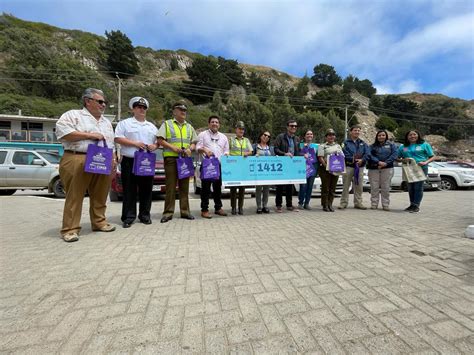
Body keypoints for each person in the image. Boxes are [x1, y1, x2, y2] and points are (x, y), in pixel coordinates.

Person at [55, 88, 116, 242]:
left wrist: (113, 160)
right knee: (75, 195)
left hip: (102, 159)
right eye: (100, 101)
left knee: (100, 194)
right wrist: (90, 135)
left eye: (105, 102)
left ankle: (99, 222)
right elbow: (63, 133)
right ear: (88, 101)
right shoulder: (73, 115)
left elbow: (110, 143)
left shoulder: (106, 122)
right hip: (77, 157)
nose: (103, 105)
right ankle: (70, 229)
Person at [114, 97, 158, 228]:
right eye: (139, 107)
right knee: (129, 190)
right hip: (130, 160)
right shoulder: (125, 123)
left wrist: (154, 146)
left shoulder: (151, 126)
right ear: (133, 109)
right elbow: (117, 138)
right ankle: (128, 217)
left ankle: (145, 215)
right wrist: (135, 143)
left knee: (146, 190)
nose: (142, 109)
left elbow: (158, 141)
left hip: (146, 161)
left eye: (144, 108)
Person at [157, 102, 198, 223]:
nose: (183, 111)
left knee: (184, 187)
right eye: (180, 109)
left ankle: (185, 212)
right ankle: (168, 213)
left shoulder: (189, 127)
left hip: (185, 159)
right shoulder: (167, 124)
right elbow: (160, 140)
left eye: (185, 110)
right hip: (171, 159)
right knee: (170, 186)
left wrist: (190, 148)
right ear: (174, 111)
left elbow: (194, 142)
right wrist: (173, 148)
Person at [196, 115, 229, 219]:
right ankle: (204, 210)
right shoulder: (202, 134)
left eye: (216, 122)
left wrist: (226, 154)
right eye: (213, 122)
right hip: (207, 165)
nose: (215, 124)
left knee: (217, 188)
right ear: (209, 124)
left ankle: (218, 208)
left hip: (218, 165)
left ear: (219, 125)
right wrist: (204, 150)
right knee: (205, 189)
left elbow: (226, 150)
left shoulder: (223, 137)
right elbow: (197, 147)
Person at [398, 130, 435, 213]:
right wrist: (403, 159)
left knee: (418, 187)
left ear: (418, 135)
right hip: (408, 168)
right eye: (410, 135)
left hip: (421, 167)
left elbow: (432, 157)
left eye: (414, 134)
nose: (412, 136)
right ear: (407, 137)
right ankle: (412, 204)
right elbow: (397, 158)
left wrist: (425, 162)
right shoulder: (402, 146)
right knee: (411, 187)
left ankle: (416, 205)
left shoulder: (424, 144)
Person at [339, 125, 369, 210]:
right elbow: (343, 152)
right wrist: (353, 159)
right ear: (351, 132)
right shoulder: (345, 143)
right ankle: (343, 203)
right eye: (355, 130)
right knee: (346, 186)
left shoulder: (363, 143)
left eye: (359, 130)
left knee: (359, 186)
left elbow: (367, 153)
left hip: (360, 167)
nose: (357, 132)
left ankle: (358, 203)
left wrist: (362, 160)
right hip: (349, 166)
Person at [367, 130, 398, 211]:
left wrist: (386, 163)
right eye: (379, 135)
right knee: (374, 187)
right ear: (377, 137)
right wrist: (378, 162)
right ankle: (374, 204)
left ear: (386, 136)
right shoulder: (372, 146)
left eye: (383, 135)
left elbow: (394, 154)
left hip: (387, 168)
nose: (381, 137)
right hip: (374, 168)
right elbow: (369, 155)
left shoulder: (391, 145)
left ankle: (385, 205)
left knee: (386, 187)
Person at [273, 119, 300, 212]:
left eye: (295, 126)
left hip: (291, 166)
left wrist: (302, 155)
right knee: (280, 186)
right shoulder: (280, 137)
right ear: (287, 127)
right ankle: (278, 206)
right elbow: (275, 149)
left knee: (290, 185)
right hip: (282, 164)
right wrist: (284, 154)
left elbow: (297, 151)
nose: (294, 128)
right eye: (292, 126)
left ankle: (289, 205)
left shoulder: (296, 139)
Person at [228, 121, 253, 215]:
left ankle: (240, 208)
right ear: (236, 129)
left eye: (243, 129)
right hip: (234, 167)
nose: (241, 130)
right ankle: (233, 208)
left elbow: (251, 151)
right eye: (239, 129)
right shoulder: (231, 139)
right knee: (233, 189)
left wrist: (247, 153)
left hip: (243, 168)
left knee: (242, 189)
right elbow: (227, 151)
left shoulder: (246, 140)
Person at [318, 129, 343, 212]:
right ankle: (324, 205)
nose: (331, 136)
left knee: (332, 188)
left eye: (333, 135)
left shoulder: (338, 146)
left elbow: (341, 157)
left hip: (336, 169)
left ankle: (330, 204)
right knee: (326, 188)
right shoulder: (322, 146)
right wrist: (327, 167)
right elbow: (320, 157)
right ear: (326, 137)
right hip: (325, 169)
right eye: (329, 135)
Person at [253, 130, 274, 214]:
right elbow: (250, 157)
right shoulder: (255, 146)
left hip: (268, 172)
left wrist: (275, 157)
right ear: (261, 136)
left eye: (269, 136)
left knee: (266, 189)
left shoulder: (271, 148)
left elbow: (273, 158)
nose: (266, 137)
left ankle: (265, 206)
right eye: (265, 135)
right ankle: (259, 207)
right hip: (258, 172)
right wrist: (254, 156)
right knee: (258, 189)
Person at [298, 130, 319, 210]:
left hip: (313, 167)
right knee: (303, 186)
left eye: (311, 134)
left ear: (313, 136)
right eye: (307, 134)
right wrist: (303, 154)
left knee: (310, 186)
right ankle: (300, 203)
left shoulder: (316, 146)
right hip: (303, 167)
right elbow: (297, 154)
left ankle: (307, 203)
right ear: (304, 136)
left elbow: (318, 157)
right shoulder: (300, 145)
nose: (309, 135)